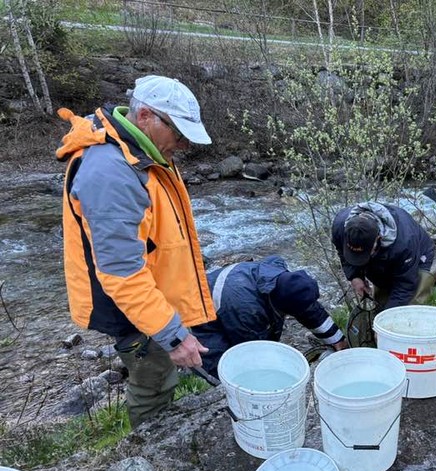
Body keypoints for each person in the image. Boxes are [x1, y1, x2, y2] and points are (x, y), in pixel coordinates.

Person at [56, 75, 216, 428]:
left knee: (161, 373)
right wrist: (173, 335)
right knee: (153, 380)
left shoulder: (143, 152)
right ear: (145, 116)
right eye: (179, 133)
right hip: (130, 307)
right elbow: (122, 275)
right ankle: (150, 446)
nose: (184, 144)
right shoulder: (111, 173)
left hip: (152, 297)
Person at [192, 256, 348, 377]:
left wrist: (338, 341)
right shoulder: (248, 310)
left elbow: (310, 311)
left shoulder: (281, 278)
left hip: (231, 297)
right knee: (234, 375)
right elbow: (253, 351)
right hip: (200, 321)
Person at [331, 201, 436, 309]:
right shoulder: (340, 226)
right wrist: (355, 276)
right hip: (382, 256)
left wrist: (388, 314)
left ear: (378, 239)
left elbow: (405, 285)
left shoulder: (405, 244)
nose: (359, 258)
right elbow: (342, 253)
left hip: (417, 256)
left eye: (364, 254)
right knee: (382, 299)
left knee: (409, 304)